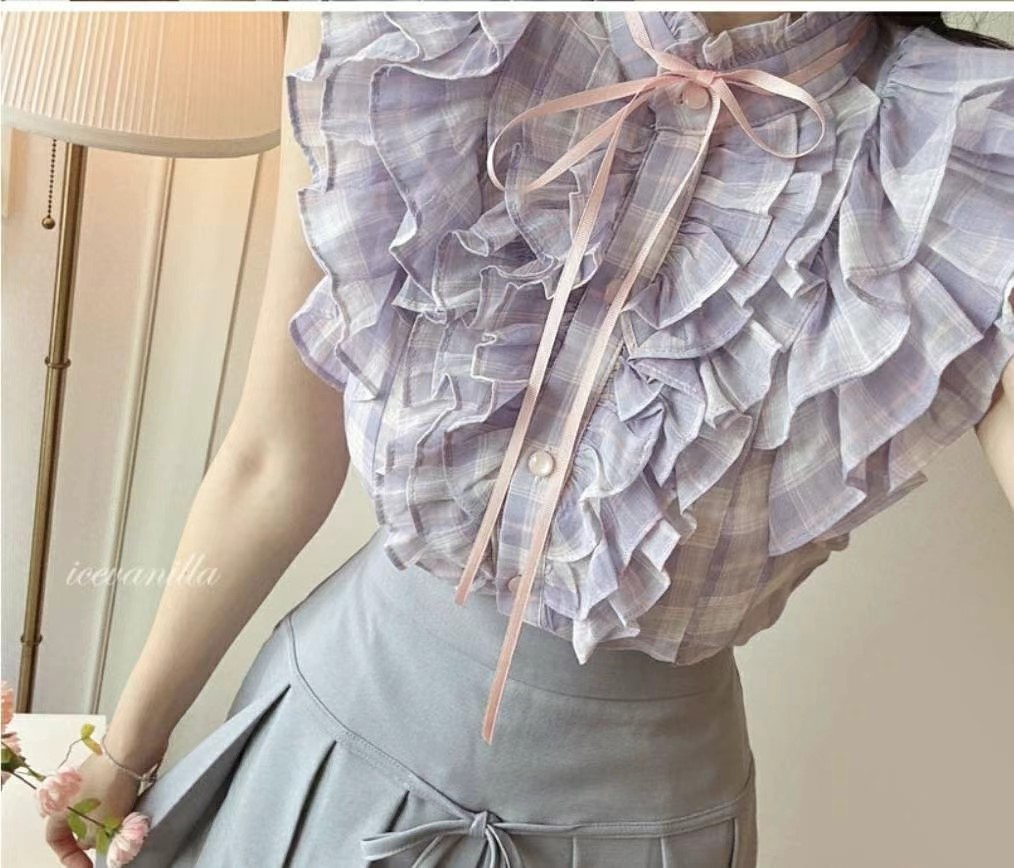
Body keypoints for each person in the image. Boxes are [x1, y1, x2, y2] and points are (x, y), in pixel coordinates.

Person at [43, 9, 1012, 868]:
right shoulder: (419, 37)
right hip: (320, 758)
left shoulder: (966, 155)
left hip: (640, 830)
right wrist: (125, 751)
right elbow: (271, 460)